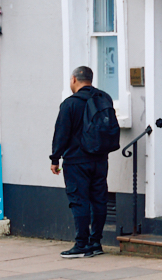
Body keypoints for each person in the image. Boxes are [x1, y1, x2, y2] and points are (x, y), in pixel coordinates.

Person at [50, 66, 117, 258]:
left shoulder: (70, 104)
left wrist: (55, 158)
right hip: (100, 159)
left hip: (76, 160)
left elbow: (61, 133)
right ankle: (96, 243)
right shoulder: (104, 98)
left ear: (73, 79)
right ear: (91, 79)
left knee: (79, 200)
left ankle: (81, 244)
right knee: (99, 200)